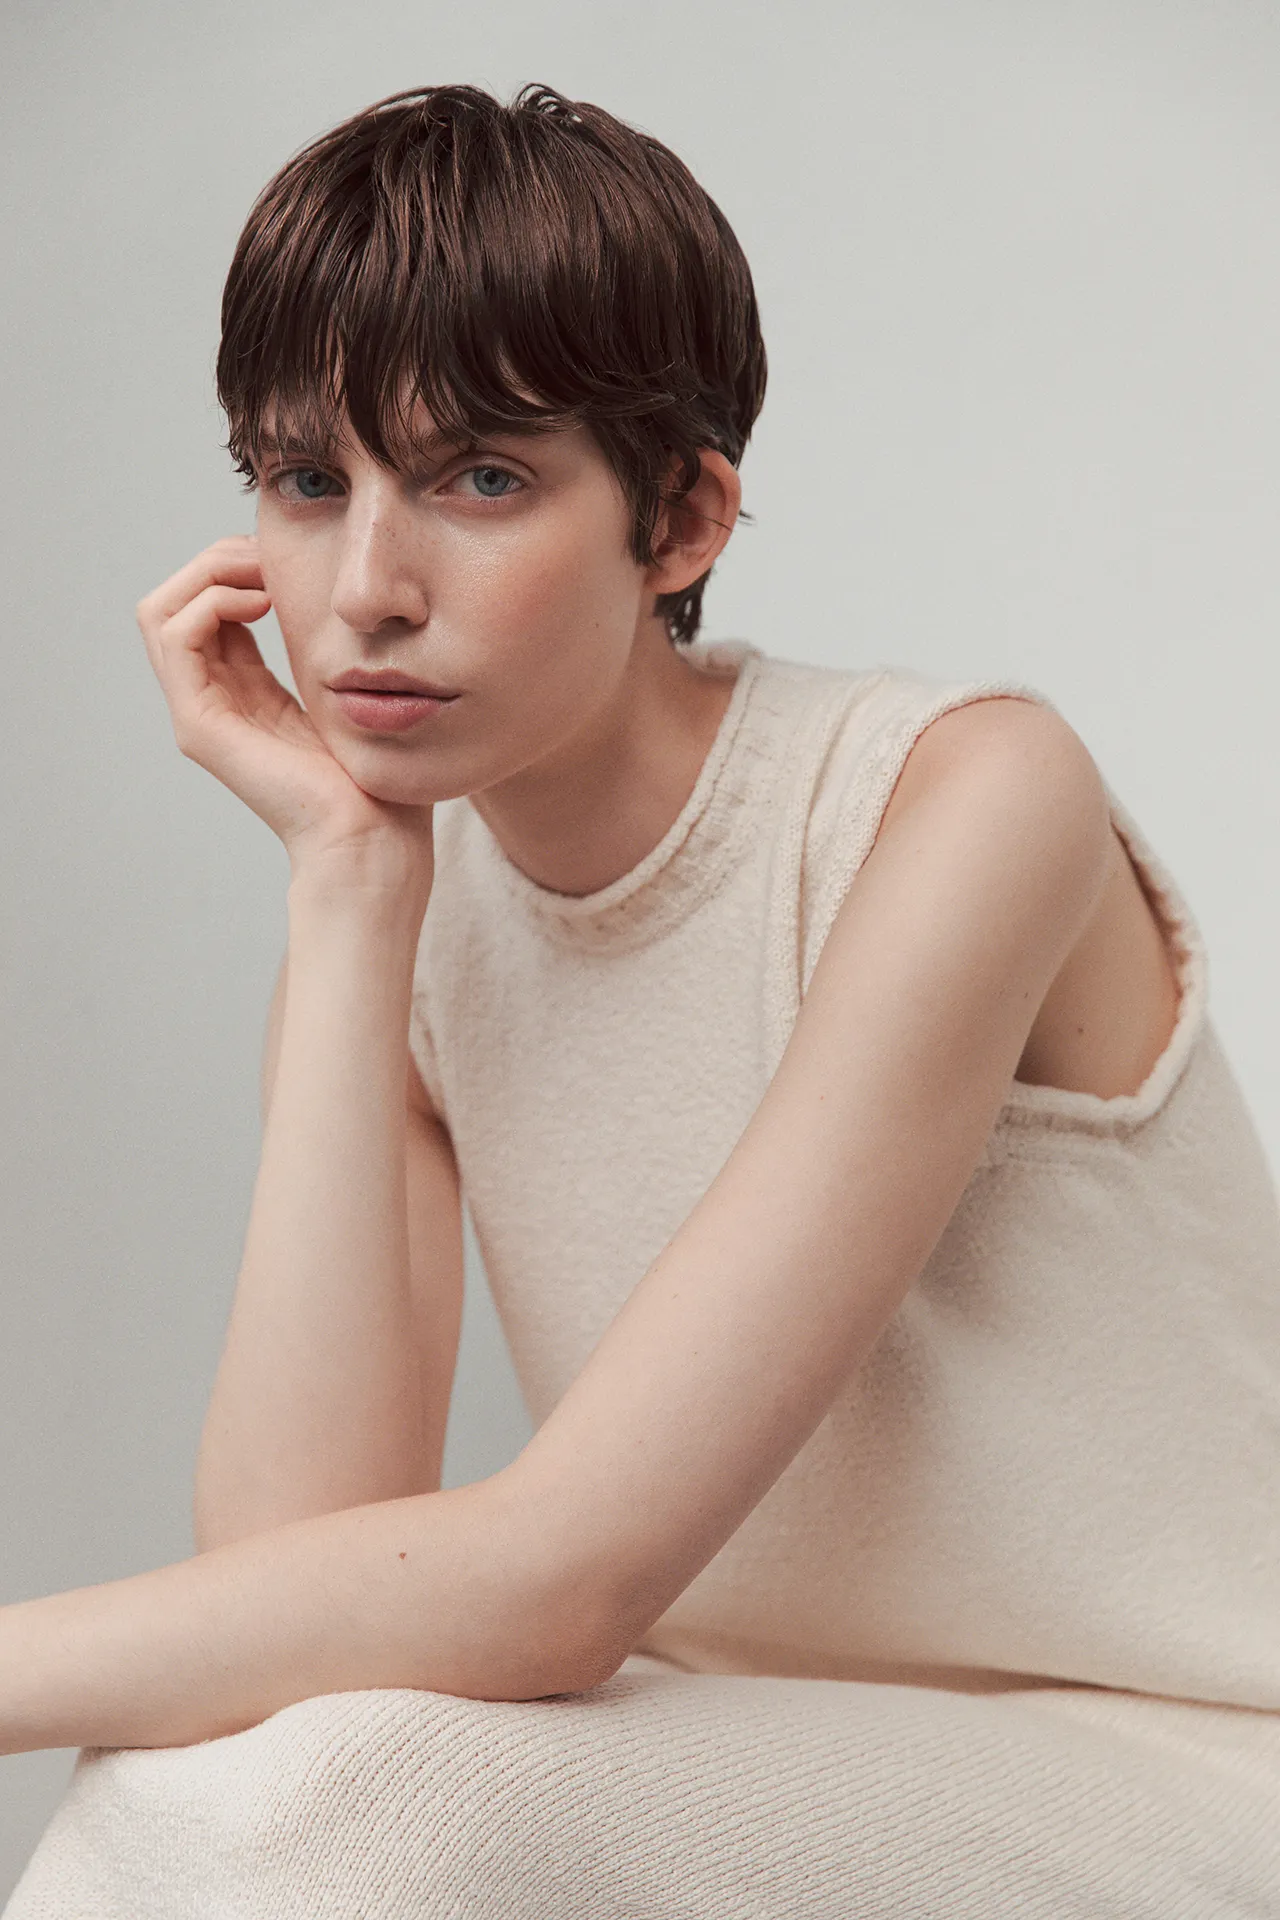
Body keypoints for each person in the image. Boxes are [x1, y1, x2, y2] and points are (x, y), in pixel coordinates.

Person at [4, 80, 1279, 1920]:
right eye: (305, 481)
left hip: (1174, 1767)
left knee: (364, 1792)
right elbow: (291, 1584)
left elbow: (558, 1581)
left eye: (482, 479)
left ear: (681, 520)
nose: (363, 588)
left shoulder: (964, 796)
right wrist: (352, 890)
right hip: (740, 1758)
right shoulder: (416, 899)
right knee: (250, 1772)